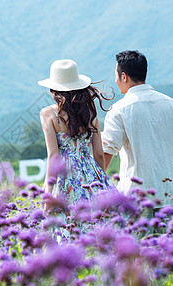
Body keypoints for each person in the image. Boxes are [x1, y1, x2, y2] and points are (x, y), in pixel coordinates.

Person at [102, 50, 173, 207]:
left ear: (124, 77)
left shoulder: (119, 110)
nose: (115, 80)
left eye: (116, 75)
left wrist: (93, 186)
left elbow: (107, 151)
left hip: (138, 200)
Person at [38, 59, 115, 216]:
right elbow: (99, 153)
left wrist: (48, 192)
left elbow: (53, 156)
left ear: (54, 89)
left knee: (68, 227)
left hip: (65, 177)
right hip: (91, 174)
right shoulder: (90, 112)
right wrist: (98, 179)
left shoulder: (48, 114)